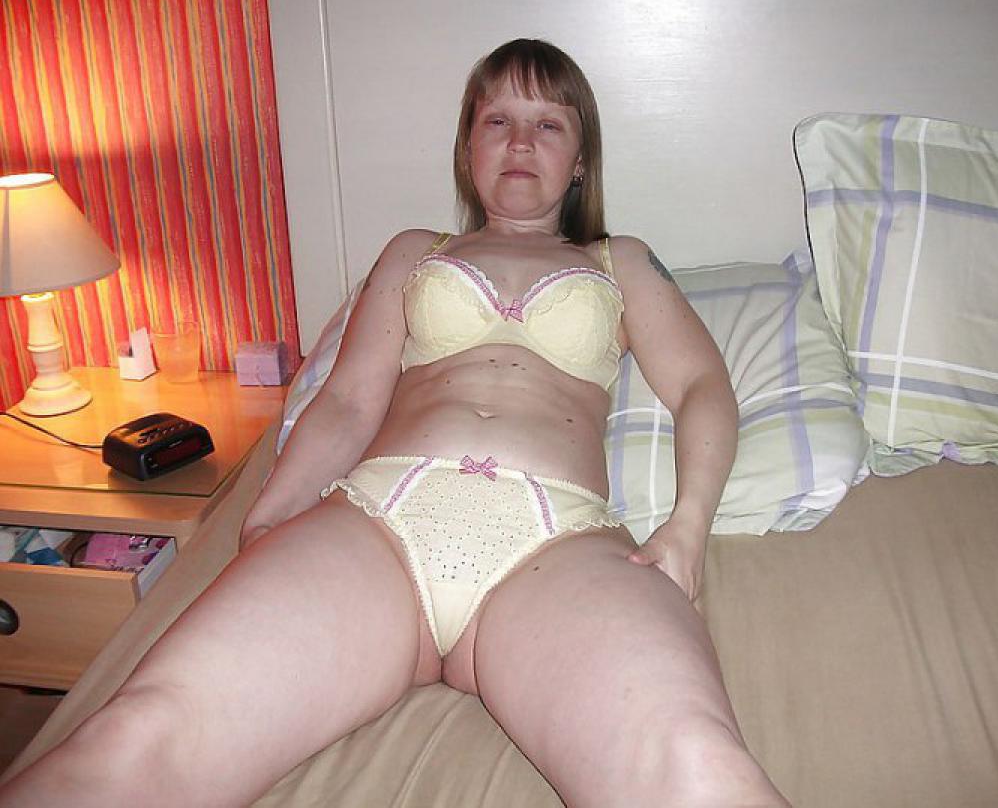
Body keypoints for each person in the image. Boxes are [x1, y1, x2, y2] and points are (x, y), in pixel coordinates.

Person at [0, 39, 789, 807]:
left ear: (580, 160)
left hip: (560, 544)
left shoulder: (622, 263)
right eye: (497, 120)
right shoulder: (416, 251)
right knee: (141, 733)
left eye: (549, 124)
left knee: (695, 763)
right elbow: (348, 400)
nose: (520, 142)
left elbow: (702, 387)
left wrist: (687, 530)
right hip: (378, 524)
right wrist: (272, 513)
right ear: (468, 149)